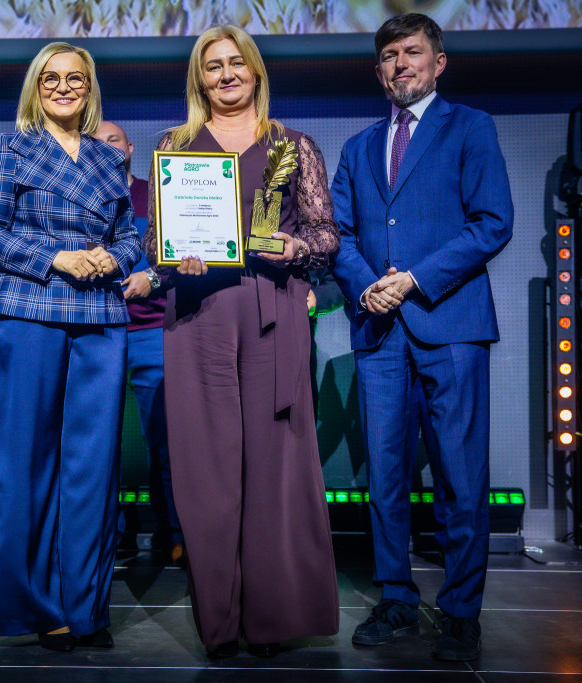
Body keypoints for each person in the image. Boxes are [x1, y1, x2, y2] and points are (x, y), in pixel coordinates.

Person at [143, 25, 340, 659]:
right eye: (213, 66)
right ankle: (220, 622)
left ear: (255, 71)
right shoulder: (175, 144)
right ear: (199, 80)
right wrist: (172, 255)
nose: (226, 74)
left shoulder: (293, 145)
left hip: (272, 310)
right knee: (206, 469)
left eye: (236, 63)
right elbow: (154, 239)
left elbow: (326, 235)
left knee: (276, 465)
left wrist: (296, 247)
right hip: (199, 312)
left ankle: (272, 617)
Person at [330, 13, 513, 661]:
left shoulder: (471, 126)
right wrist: (368, 287)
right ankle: (396, 598)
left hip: (451, 324)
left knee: (460, 475)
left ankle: (461, 612)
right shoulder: (357, 148)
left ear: (439, 63)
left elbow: (492, 222)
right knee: (385, 475)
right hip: (380, 330)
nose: (400, 63)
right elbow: (338, 236)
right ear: (378, 69)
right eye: (389, 55)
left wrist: (412, 280)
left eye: (412, 52)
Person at [0, 42, 140, 652]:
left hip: (100, 315)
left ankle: (86, 608)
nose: (63, 87)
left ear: (89, 87)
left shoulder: (107, 156)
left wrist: (112, 258)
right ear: (35, 88)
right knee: (26, 464)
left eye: (75, 78)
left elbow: (131, 237)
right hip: (31, 311)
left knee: (93, 469)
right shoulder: (10, 147)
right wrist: (56, 257)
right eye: (51, 79)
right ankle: (40, 610)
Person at [92, 120, 183, 564]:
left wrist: (152, 277)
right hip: (97, 331)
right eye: (97, 141)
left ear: (129, 148)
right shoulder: (82, 198)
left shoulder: (158, 193)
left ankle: (174, 532)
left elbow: (184, 253)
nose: (107, 147)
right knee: (97, 444)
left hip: (153, 333)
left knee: (166, 441)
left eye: (114, 140)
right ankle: (106, 535)